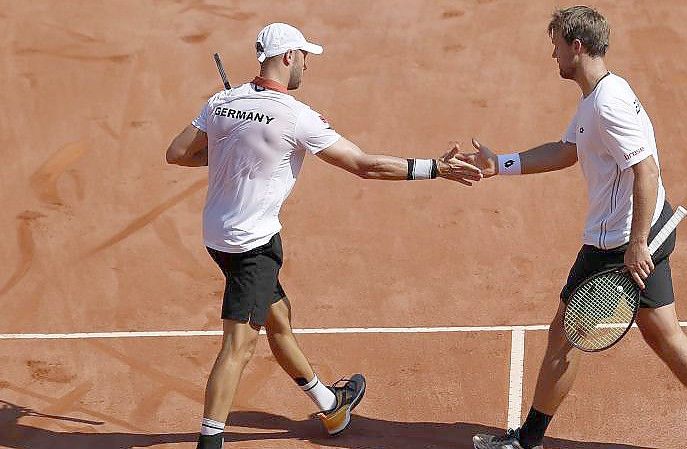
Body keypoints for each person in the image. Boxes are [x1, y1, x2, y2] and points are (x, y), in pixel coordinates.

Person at [165, 22, 482, 449]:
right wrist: (434, 168)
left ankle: (330, 405)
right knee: (238, 346)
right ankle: (210, 440)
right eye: (305, 58)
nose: (307, 67)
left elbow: (178, 153)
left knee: (279, 318)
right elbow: (364, 165)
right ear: (288, 58)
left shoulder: (222, 101)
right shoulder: (296, 117)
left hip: (217, 237)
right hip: (251, 246)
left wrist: (233, 150)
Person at [464, 7, 687, 449]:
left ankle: (527, 441)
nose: (553, 55)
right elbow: (567, 151)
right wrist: (499, 165)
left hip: (620, 242)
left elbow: (647, 171)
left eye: (557, 46)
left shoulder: (608, 102)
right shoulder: (597, 96)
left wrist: (637, 244)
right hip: (640, 229)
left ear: (576, 47)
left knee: (565, 335)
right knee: (662, 332)